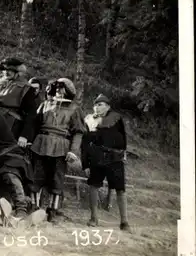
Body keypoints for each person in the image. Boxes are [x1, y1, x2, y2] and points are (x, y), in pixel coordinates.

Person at [30, 78, 86, 222]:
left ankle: (53, 211)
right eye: (56, 88)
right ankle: (34, 208)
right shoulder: (45, 105)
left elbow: (78, 132)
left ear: (68, 91)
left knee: (57, 179)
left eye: (62, 88)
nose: (58, 91)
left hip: (61, 146)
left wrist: (73, 151)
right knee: (37, 177)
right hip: (41, 144)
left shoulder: (74, 109)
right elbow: (34, 125)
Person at [82, 94, 131, 232]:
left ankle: (124, 222)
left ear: (108, 106)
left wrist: (123, 152)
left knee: (120, 189)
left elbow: (123, 138)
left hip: (115, 158)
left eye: (101, 104)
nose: (97, 107)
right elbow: (85, 143)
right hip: (97, 158)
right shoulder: (89, 119)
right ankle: (94, 218)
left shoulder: (116, 118)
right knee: (93, 186)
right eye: (96, 105)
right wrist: (85, 163)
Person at [0, 58, 38, 151]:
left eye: (11, 70)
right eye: (5, 69)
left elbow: (31, 114)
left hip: (10, 126)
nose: (7, 72)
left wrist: (24, 135)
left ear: (18, 72)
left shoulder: (26, 88)